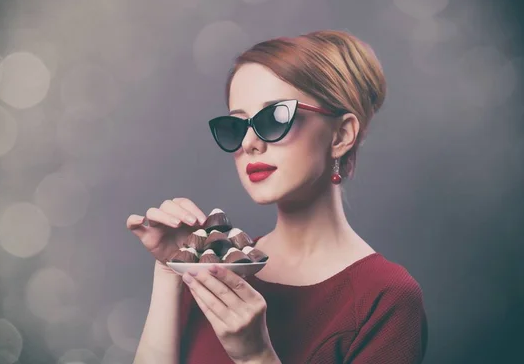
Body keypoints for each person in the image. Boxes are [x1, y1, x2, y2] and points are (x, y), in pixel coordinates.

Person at [126, 30, 428, 364]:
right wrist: (171, 271)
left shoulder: (387, 299)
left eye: (275, 118)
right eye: (237, 126)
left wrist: (256, 357)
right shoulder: (216, 266)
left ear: (341, 134)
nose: (249, 143)